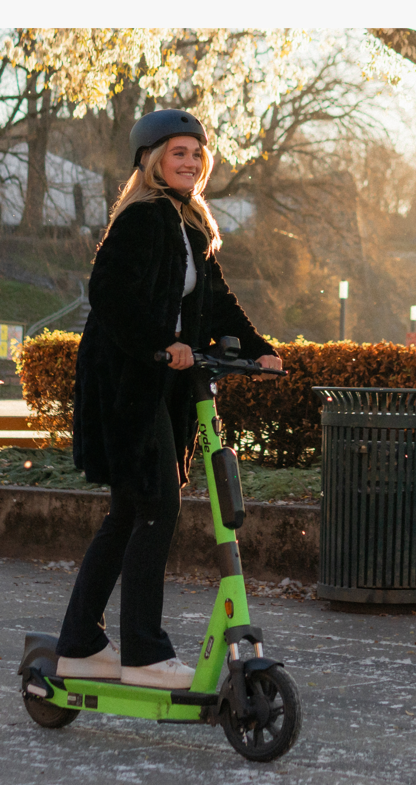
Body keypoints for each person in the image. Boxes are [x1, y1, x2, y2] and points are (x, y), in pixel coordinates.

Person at [55, 109, 281, 688]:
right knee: (156, 504)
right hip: (128, 380)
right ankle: (145, 654)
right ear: (152, 161)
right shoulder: (143, 217)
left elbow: (219, 300)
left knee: (130, 510)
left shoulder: (191, 224)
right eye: (178, 153)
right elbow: (107, 294)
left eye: (196, 153)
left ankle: (80, 643)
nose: (190, 162)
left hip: (159, 381)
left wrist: (258, 348)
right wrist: (163, 343)